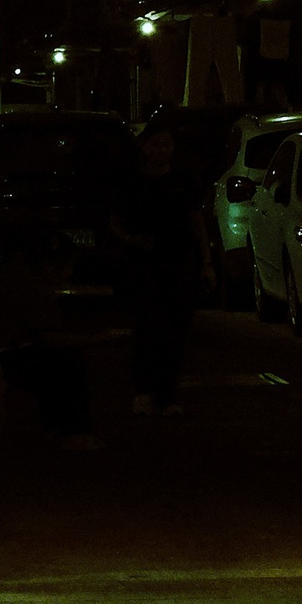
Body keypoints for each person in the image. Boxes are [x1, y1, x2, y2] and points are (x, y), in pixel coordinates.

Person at [116, 121, 208, 417]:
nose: (162, 150)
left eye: (167, 144)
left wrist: (206, 262)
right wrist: (132, 241)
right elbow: (114, 220)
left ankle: (167, 394)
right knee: (147, 327)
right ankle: (143, 390)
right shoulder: (132, 181)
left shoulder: (183, 180)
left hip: (179, 261)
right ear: (145, 147)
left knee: (176, 330)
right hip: (145, 264)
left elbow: (196, 221)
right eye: (157, 144)